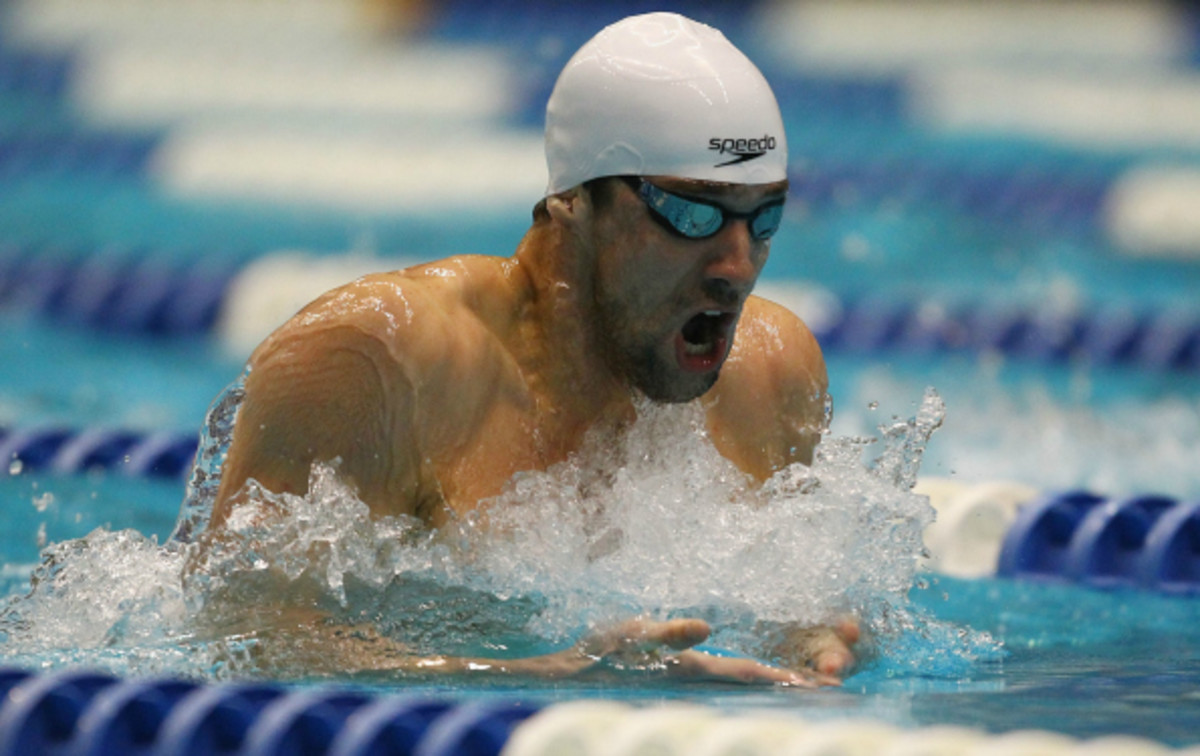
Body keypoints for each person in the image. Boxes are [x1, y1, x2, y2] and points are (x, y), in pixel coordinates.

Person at [197, 11, 857, 686]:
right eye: (693, 215)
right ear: (574, 199)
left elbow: (803, 614)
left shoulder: (772, 370)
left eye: (764, 217)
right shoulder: (381, 361)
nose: (738, 267)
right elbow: (241, 634)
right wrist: (525, 676)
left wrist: (809, 635)